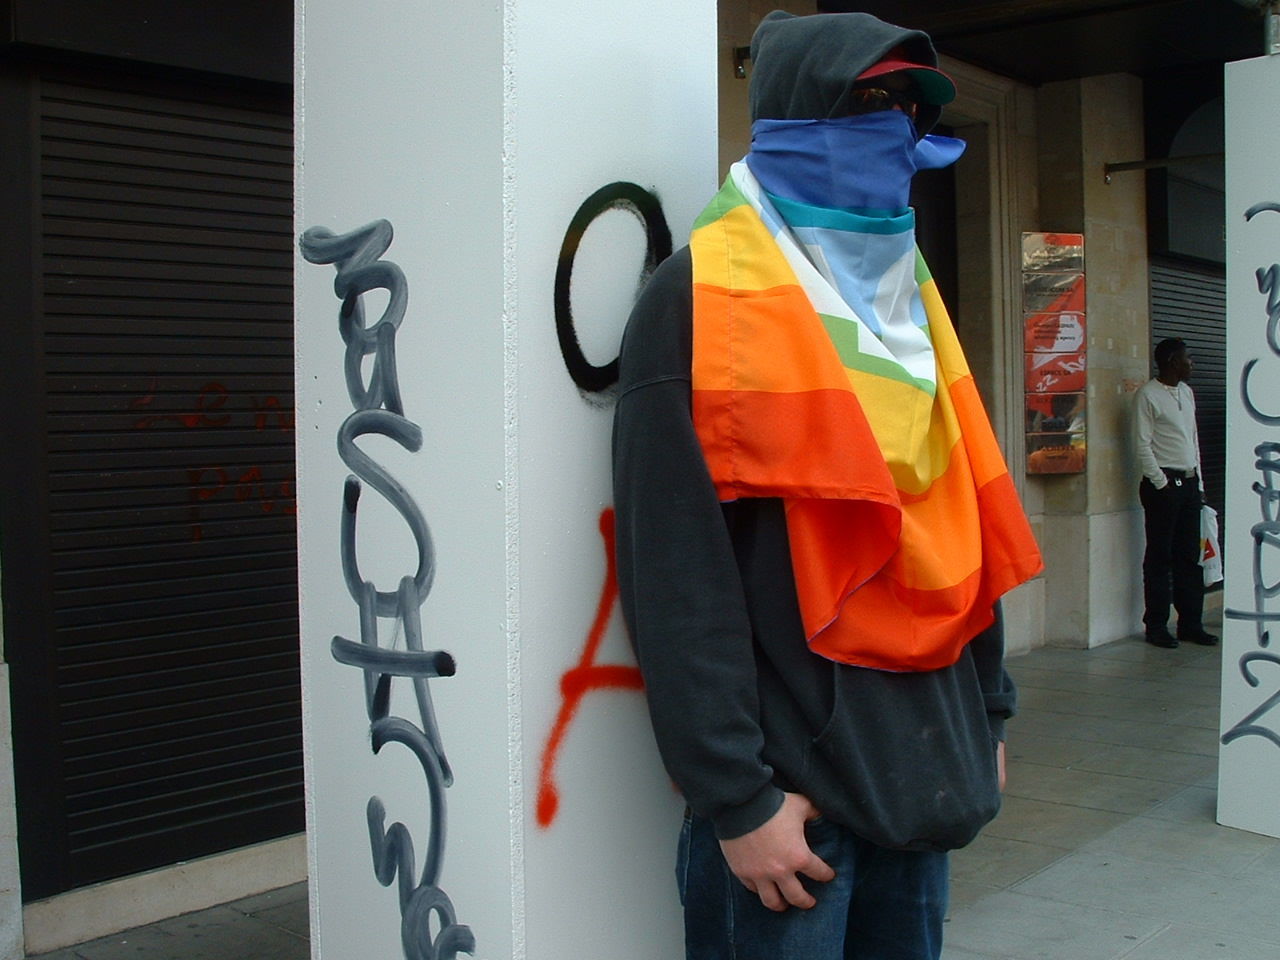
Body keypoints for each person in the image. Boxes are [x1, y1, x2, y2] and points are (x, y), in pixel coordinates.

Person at [611, 11, 1043, 959]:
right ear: (794, 120)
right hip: (793, 823)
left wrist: (987, 712)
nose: (893, 127)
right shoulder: (698, 307)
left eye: (906, 107)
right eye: (867, 102)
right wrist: (738, 800)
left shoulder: (907, 308)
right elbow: (677, 576)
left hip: (921, 787)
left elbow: (957, 521)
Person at [1134, 338, 1218, 648]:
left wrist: (1200, 483)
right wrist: (1161, 483)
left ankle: (1190, 624)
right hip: (1163, 486)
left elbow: (1192, 440)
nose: (1191, 364)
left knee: (1189, 556)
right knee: (1159, 557)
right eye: (1187, 359)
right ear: (1172, 361)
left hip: (1190, 483)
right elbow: (1142, 444)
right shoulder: (1147, 395)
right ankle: (1156, 625)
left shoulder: (1187, 392)